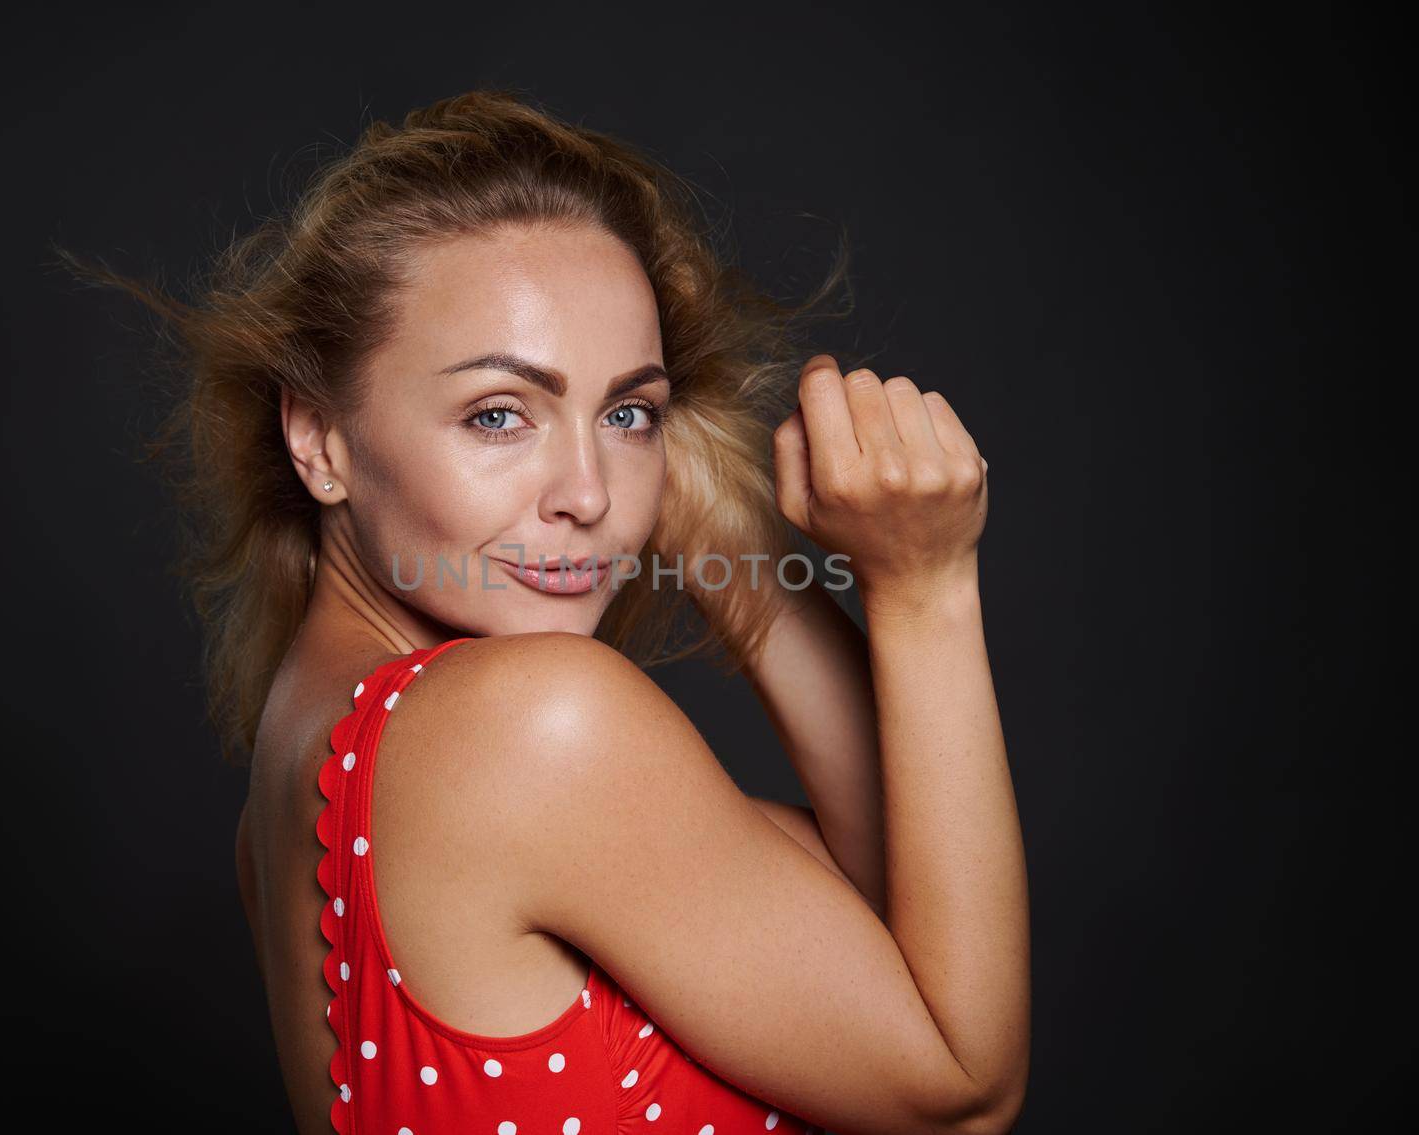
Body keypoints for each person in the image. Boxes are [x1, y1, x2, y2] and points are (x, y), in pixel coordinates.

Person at [78, 89, 1029, 1135]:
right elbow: (961, 1094)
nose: (588, 490)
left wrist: (734, 562)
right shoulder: (527, 724)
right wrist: (925, 590)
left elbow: (901, 928)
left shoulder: (309, 773)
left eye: (628, 412)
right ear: (319, 439)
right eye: (499, 414)